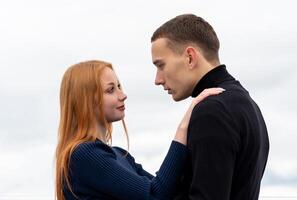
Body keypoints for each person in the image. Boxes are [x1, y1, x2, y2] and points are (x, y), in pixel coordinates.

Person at [55, 60, 224, 200]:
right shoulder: (84, 155)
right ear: (86, 101)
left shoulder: (120, 156)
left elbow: (172, 192)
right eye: (111, 90)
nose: (123, 95)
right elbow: (155, 195)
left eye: (119, 86)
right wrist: (184, 126)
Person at [151, 14, 269, 200]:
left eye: (161, 65)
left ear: (190, 57)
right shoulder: (247, 104)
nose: (157, 79)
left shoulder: (212, 111)